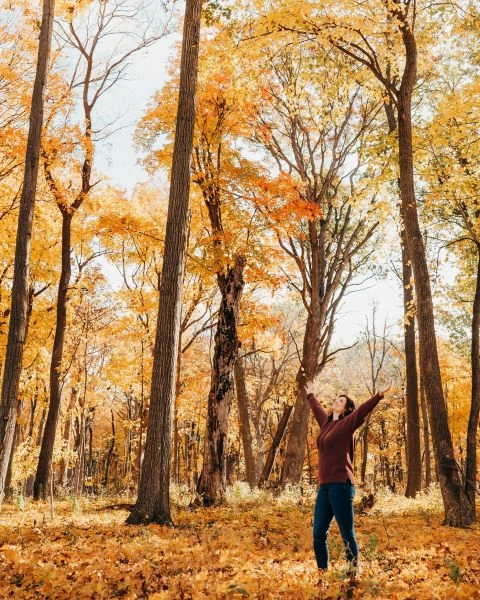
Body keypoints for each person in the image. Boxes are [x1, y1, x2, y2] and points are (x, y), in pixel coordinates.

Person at [304, 380, 391, 577]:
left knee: (346, 533)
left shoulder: (347, 424)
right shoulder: (326, 423)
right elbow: (317, 409)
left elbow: (362, 411)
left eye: (341, 400)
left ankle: (352, 575)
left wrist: (378, 395)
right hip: (325, 487)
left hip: (341, 485)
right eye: (336, 399)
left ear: (346, 408)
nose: (336, 401)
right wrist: (311, 394)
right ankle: (322, 576)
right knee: (318, 534)